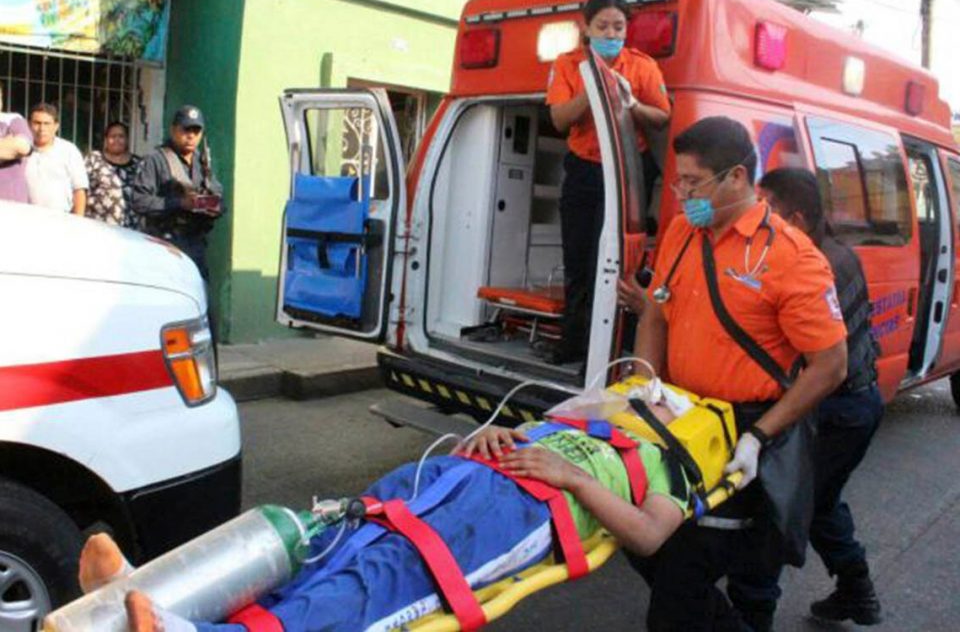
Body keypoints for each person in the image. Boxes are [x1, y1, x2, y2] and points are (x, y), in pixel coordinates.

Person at [74, 403, 691, 632]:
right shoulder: (594, 412)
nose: (662, 403)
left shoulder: (673, 467)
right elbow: (521, 424)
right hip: (459, 478)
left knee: (385, 574)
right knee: (332, 532)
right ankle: (154, 595)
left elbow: (649, 534)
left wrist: (574, 478)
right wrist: (492, 433)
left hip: (522, 514)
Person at [631, 116, 848, 631]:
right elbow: (656, 312)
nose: (682, 193)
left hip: (740, 434)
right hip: (679, 424)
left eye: (692, 182)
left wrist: (758, 436)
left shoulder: (791, 256)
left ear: (736, 177)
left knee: (679, 591)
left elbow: (831, 364)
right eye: (677, 180)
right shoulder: (684, 233)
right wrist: (641, 384)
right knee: (643, 543)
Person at [725, 167, 883, 630]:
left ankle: (753, 611)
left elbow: (790, 351)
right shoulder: (829, 252)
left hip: (837, 409)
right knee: (817, 502)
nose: (756, 217)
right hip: (850, 405)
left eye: (766, 207)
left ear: (794, 216)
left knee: (778, 507)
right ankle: (857, 591)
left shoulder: (813, 263)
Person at [545, 0, 671, 365]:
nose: (612, 33)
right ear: (587, 28)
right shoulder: (568, 64)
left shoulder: (642, 65)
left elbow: (662, 116)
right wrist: (596, 86)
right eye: (603, 26)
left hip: (629, 171)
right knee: (579, 258)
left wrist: (631, 103)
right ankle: (574, 342)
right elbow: (558, 120)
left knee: (615, 262)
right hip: (585, 170)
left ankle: (610, 347)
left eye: (619, 26)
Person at [132, 105, 224, 279]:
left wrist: (214, 207)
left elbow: (218, 195)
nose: (191, 136)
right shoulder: (156, 160)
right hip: (164, 242)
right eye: (185, 130)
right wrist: (179, 203)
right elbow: (139, 201)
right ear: (173, 130)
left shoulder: (203, 162)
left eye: (196, 131)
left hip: (195, 243)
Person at [24, 102, 88, 215]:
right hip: (25, 218)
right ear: (29, 124)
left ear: (56, 126)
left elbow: (79, 190)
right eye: (37, 123)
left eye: (47, 123)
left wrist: (78, 224)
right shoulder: (21, 149)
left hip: (60, 220)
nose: (41, 128)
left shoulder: (69, 151)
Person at [85, 121, 143, 229]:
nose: (116, 140)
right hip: (97, 224)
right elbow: (82, 189)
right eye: (112, 136)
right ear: (106, 140)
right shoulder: (94, 159)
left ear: (127, 140)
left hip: (129, 227)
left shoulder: (138, 164)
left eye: (121, 136)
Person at [0, 81, 33, 203]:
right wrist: (6, 144)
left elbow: (22, 147)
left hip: (11, 205)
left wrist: (13, 146)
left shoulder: (12, 119)